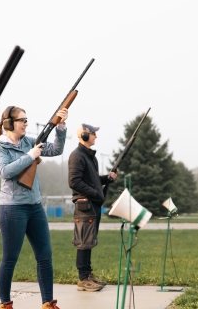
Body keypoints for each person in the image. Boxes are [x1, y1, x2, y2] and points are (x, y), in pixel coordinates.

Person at [0, 106, 68, 309]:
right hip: (13, 209)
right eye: (22, 120)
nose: (26, 123)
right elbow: (5, 172)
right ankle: (5, 304)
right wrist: (30, 156)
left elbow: (56, 150)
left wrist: (61, 127)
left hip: (35, 207)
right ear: (9, 124)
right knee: (10, 258)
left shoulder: (28, 141)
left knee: (45, 255)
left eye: (26, 119)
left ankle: (48, 303)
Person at [68, 123, 118, 292]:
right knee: (84, 241)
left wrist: (106, 178)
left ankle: (88, 275)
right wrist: (96, 194)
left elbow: (92, 179)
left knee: (88, 241)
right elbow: (74, 181)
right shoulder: (77, 156)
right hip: (85, 205)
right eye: (93, 133)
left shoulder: (90, 157)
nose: (96, 136)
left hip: (92, 204)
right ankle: (83, 279)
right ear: (83, 136)